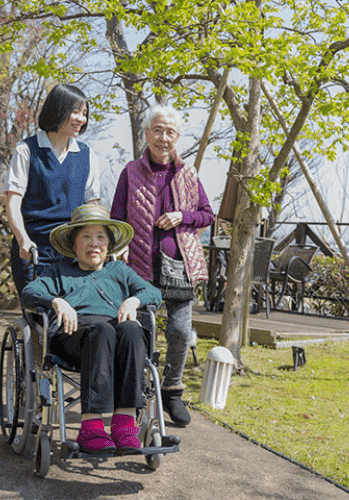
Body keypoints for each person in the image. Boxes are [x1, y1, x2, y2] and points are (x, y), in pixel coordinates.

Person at [20, 204, 162, 454]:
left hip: (116, 341)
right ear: (74, 243)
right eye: (86, 236)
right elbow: (29, 293)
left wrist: (133, 300)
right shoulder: (58, 272)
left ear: (109, 245)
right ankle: (92, 428)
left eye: (100, 237)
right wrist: (56, 301)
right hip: (74, 338)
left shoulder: (119, 270)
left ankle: (124, 425)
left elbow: (153, 292)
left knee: (131, 330)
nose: (93, 243)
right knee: (102, 330)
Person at [111, 104, 214, 427]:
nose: (163, 137)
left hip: (178, 266)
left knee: (180, 331)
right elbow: (116, 217)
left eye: (170, 132)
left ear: (178, 137)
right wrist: (121, 243)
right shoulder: (130, 172)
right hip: (140, 267)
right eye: (157, 130)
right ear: (146, 133)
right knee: (142, 332)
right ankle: (139, 390)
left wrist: (183, 216)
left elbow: (208, 215)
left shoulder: (188, 174)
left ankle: (172, 390)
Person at [5, 83, 101, 296]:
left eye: (84, 113)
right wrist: (22, 239)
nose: (81, 119)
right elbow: (13, 201)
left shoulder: (86, 155)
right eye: (75, 112)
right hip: (34, 247)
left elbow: (92, 204)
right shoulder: (26, 150)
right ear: (58, 109)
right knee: (40, 313)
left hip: (74, 246)